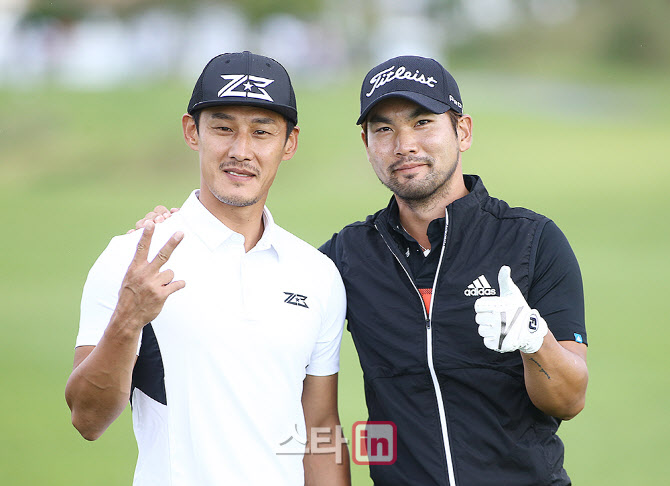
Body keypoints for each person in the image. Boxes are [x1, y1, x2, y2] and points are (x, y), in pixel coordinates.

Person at [139, 55, 589, 486]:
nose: (404, 144)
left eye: (422, 122)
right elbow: (254, 284)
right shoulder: (343, 260)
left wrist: (535, 341)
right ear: (367, 144)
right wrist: (173, 228)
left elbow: (569, 400)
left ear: (463, 130)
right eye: (384, 128)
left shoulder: (532, 241)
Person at [65, 51, 350, 486]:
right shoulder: (132, 260)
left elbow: (320, 429)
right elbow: (87, 419)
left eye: (261, 132)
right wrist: (127, 320)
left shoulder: (317, 274)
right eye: (222, 128)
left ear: (289, 143)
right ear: (191, 131)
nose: (241, 150)